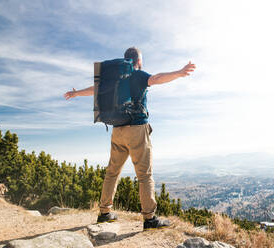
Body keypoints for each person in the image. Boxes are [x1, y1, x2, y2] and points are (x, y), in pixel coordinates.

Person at [64, 47, 196, 230]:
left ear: (125, 60)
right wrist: (179, 73)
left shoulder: (116, 79)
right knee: (144, 175)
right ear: (138, 61)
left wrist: (76, 93)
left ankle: (104, 213)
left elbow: (96, 89)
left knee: (112, 172)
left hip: (117, 131)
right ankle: (150, 218)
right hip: (137, 130)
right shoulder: (137, 75)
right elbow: (156, 78)